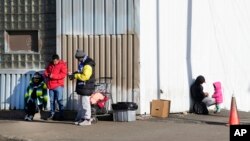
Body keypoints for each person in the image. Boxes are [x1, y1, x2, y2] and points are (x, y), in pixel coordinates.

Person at [69, 49, 95, 126]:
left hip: (86, 86)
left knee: (85, 103)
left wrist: (75, 76)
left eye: (78, 58)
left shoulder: (87, 64)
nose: (77, 60)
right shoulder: (83, 63)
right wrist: (73, 75)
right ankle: (82, 118)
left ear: (81, 57)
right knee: (81, 104)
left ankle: (87, 119)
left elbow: (85, 76)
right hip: (83, 87)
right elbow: (81, 72)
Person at [44, 54, 67, 120]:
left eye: (55, 61)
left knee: (59, 100)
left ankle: (61, 115)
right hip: (51, 86)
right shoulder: (50, 64)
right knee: (51, 101)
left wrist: (53, 76)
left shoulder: (62, 65)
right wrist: (48, 74)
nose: (54, 62)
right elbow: (46, 71)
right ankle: (52, 114)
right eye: (53, 61)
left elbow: (63, 75)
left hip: (58, 85)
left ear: (58, 60)